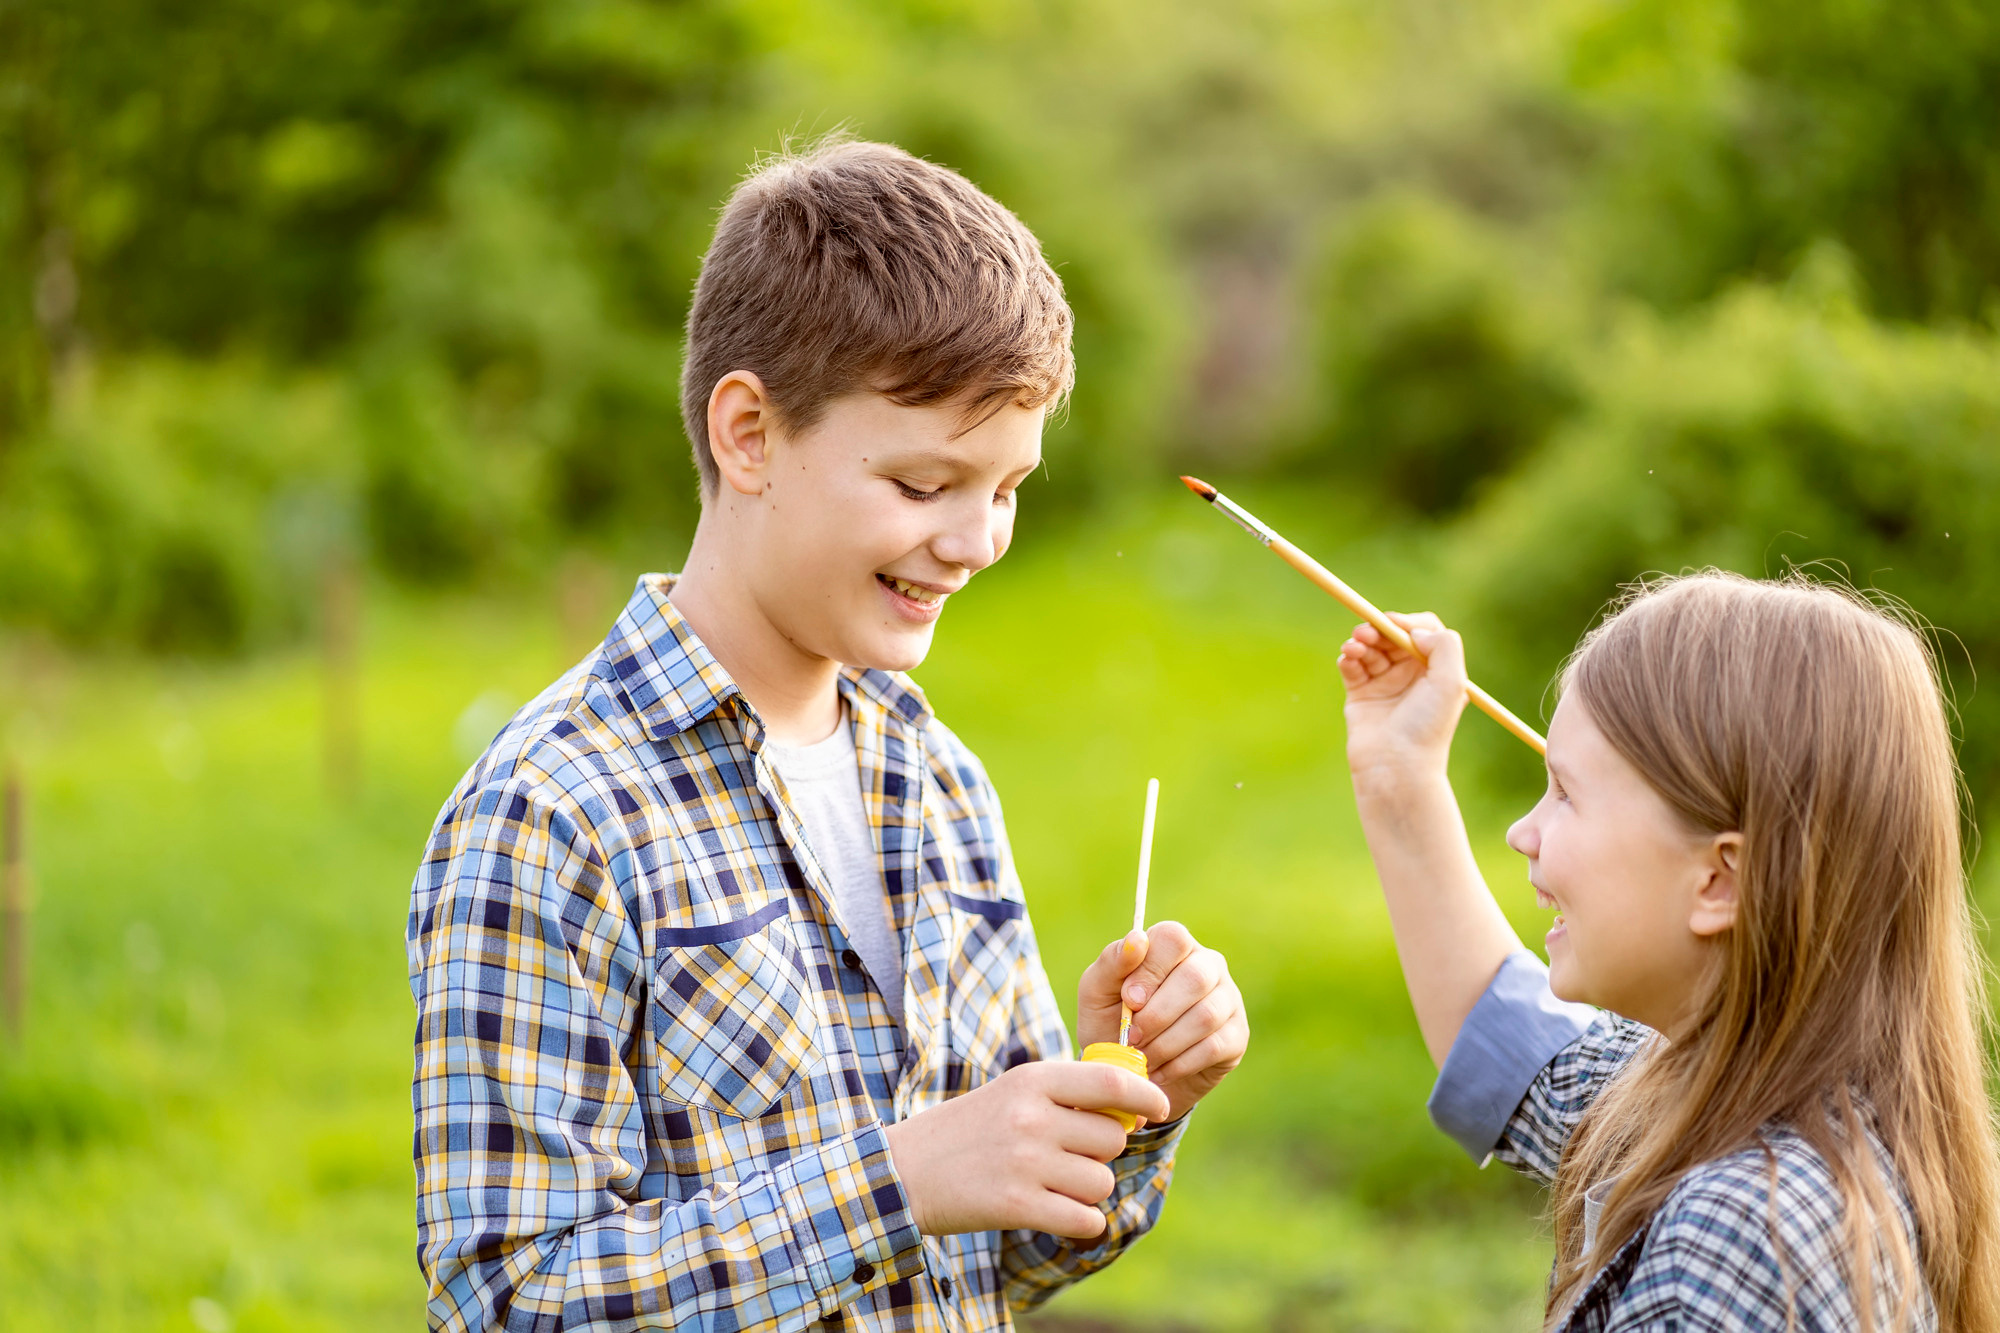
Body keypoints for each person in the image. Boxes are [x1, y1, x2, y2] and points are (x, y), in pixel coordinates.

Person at [405, 137, 1248, 1333]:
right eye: (922, 486)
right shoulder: (554, 814)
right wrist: (898, 1179)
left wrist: (1128, 1102)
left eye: (1007, 488)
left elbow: (1003, 1258)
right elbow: (508, 1300)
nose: (975, 541)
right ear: (748, 434)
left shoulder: (931, 779)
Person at [1337, 572, 2000, 1331]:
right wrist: (1399, 778)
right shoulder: (1756, 1096)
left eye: (1565, 792)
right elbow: (1507, 1047)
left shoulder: (1744, 1238)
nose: (1525, 832)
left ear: (1718, 880)